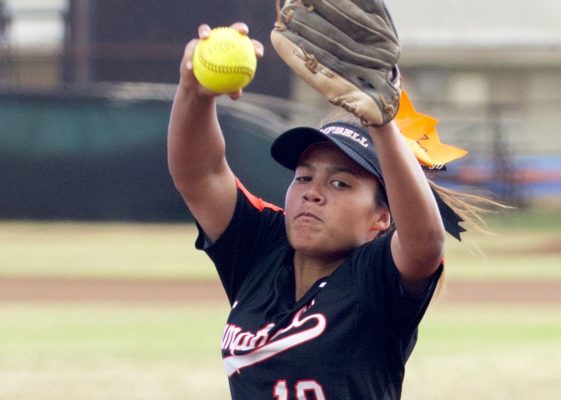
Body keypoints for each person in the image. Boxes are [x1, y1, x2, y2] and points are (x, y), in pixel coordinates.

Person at [168, 21, 477, 400]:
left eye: (339, 183)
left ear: (382, 218)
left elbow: (425, 241)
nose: (312, 193)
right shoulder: (262, 250)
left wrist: (381, 122)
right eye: (303, 177)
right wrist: (193, 94)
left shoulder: (375, 280)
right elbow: (200, 176)